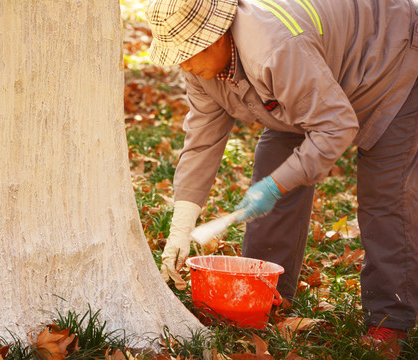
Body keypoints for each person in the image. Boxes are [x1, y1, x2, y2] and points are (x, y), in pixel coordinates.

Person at [144, 0, 418, 356]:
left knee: (385, 196)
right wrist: (181, 226)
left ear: (215, 38)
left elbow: (335, 127)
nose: (183, 64)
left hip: (390, 58)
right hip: (309, 89)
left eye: (187, 53)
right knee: (274, 166)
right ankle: (266, 298)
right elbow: (202, 141)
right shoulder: (202, 69)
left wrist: (275, 186)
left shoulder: (275, 48)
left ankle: (389, 322)